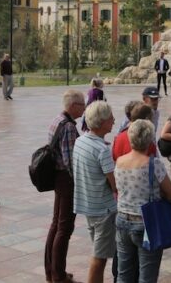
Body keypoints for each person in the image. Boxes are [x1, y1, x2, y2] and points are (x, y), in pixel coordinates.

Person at [114, 119, 171, 283]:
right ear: (149, 140)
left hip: (122, 219)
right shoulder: (153, 164)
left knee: (124, 273)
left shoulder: (119, 161)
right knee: (147, 276)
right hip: (146, 223)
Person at [73, 101, 117, 283]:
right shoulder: (102, 149)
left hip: (88, 205)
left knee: (100, 253)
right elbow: (114, 184)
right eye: (111, 118)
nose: (114, 120)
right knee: (99, 258)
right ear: (102, 122)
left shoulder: (80, 141)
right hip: (103, 209)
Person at [44, 90, 85, 283]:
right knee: (64, 228)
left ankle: (51, 270)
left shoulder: (57, 120)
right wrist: (80, 181)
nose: (84, 108)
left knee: (56, 224)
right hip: (66, 180)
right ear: (73, 106)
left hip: (57, 178)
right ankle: (58, 275)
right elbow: (70, 161)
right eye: (82, 105)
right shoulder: (68, 126)